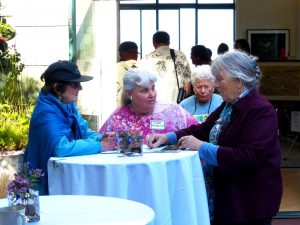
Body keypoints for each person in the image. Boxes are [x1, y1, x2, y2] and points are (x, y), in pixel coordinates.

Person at [147, 51, 282, 225]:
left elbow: (247, 157)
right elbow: (203, 130)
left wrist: (201, 147)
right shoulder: (230, 105)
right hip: (231, 196)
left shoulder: (260, 110)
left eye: (220, 79)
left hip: (250, 200)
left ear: (238, 81)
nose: (216, 85)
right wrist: (168, 137)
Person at [24, 60, 116, 195]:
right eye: (75, 84)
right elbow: (61, 147)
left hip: (64, 174)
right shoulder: (46, 112)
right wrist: (99, 146)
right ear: (57, 87)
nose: (80, 88)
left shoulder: (66, 103)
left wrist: (102, 137)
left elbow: (84, 131)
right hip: (43, 184)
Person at [99, 68, 198, 141]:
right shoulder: (118, 117)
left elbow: (199, 132)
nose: (152, 94)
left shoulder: (173, 110)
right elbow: (101, 141)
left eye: (153, 88)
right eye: (144, 91)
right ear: (129, 93)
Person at [143, 31, 192, 103]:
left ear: (153, 43)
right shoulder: (180, 55)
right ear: (169, 42)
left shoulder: (146, 59)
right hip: (176, 103)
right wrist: (182, 101)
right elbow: (187, 82)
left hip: (155, 104)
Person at [116, 41, 139, 107]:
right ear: (122, 54)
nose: (135, 56)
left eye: (136, 53)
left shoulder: (138, 69)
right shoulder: (116, 70)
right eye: (132, 53)